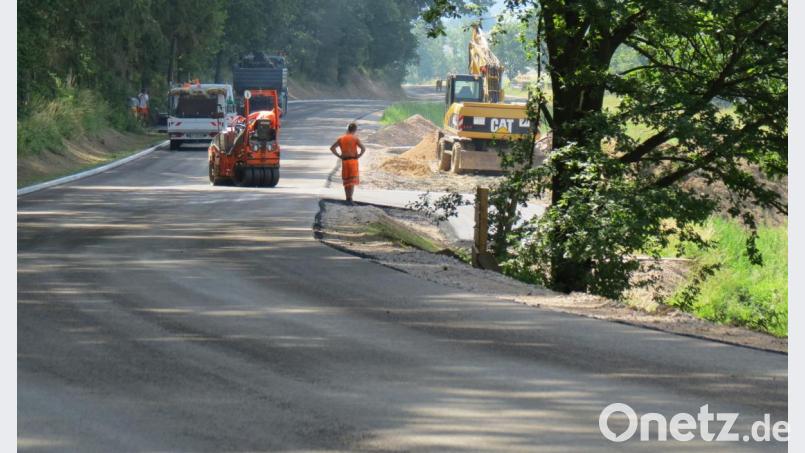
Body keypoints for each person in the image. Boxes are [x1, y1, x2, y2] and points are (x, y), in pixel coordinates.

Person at [329, 122, 366, 204]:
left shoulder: (341, 138)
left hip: (345, 161)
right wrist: (359, 155)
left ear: (348, 129)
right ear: (355, 130)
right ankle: (350, 199)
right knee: (352, 181)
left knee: (346, 181)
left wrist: (339, 156)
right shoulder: (355, 139)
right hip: (353, 161)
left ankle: (347, 198)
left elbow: (332, 148)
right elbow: (363, 149)